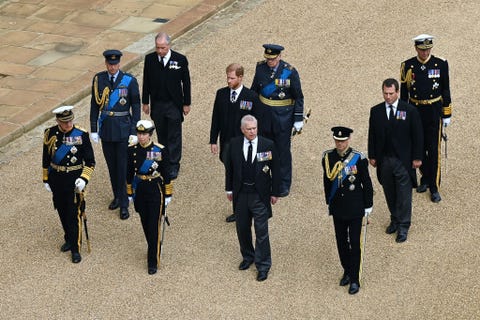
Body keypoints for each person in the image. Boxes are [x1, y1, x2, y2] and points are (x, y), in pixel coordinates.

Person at [224, 115, 280, 281]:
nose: (252, 132)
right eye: (249, 129)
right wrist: (229, 189)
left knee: (261, 231)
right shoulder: (233, 144)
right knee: (242, 228)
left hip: (259, 195)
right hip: (241, 194)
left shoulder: (267, 144)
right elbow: (230, 169)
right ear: (242, 130)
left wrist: (275, 192)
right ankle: (248, 256)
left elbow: (276, 169)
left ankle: (263, 265)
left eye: (254, 128)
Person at [368, 78, 423, 243]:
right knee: (389, 192)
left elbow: (417, 135)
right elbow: (372, 134)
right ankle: (395, 219)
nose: (388, 97)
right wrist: (372, 155)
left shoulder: (410, 110)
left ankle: (404, 226)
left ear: (397, 92)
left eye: (391, 94)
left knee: (404, 195)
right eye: (385, 93)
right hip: (384, 160)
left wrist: (417, 157)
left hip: (403, 161)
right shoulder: (376, 111)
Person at [400, 34, 452, 203]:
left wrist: (447, 113)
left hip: (433, 111)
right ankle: (425, 176)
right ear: (416, 48)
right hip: (415, 110)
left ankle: (434, 186)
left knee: (433, 148)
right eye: (422, 50)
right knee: (418, 148)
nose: (425, 53)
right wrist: (403, 116)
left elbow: (445, 89)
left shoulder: (441, 64)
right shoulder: (408, 66)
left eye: (428, 49)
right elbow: (404, 95)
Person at [90, 49, 141, 220]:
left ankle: (125, 203)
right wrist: (94, 128)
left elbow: (136, 105)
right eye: (109, 64)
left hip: (123, 130)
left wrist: (135, 130)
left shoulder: (129, 81)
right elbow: (94, 105)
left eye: (115, 64)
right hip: (106, 129)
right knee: (112, 166)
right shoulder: (99, 79)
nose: (112, 67)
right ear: (106, 64)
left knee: (123, 167)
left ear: (119, 63)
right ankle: (117, 196)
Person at [322, 126, 373, 295]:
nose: (340, 144)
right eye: (337, 140)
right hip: (338, 208)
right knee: (341, 242)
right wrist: (329, 203)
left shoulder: (358, 158)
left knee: (354, 243)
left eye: (343, 141)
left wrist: (368, 206)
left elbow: (366, 183)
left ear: (348, 140)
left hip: (355, 207)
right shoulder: (328, 157)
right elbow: (327, 182)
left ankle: (355, 279)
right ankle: (346, 270)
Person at [43, 106, 95, 263]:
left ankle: (75, 248)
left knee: (74, 214)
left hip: (74, 180)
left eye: (70, 120)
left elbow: (90, 162)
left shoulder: (81, 134)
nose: (68, 124)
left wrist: (84, 179)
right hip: (57, 179)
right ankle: (69, 237)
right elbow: (46, 158)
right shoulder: (49, 133)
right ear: (58, 121)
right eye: (64, 122)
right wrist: (46, 179)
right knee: (62, 211)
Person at [209, 63, 261, 223]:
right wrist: (213, 140)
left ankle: (246, 210)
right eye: (227, 77)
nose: (228, 81)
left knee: (243, 177)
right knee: (231, 177)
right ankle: (238, 211)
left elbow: (257, 122)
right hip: (226, 145)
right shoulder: (221, 94)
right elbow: (215, 118)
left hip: (244, 145)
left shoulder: (250, 96)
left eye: (232, 78)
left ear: (240, 77)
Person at [251, 44, 304, 197]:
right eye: (267, 59)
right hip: (264, 116)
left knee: (282, 151)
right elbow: (255, 91)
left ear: (279, 57)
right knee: (264, 150)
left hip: (283, 117)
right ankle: (265, 180)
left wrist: (298, 119)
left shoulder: (290, 72)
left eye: (273, 59)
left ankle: (283, 184)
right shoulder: (260, 69)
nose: (270, 62)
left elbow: (298, 96)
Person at [142, 32, 192, 180]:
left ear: (168, 45)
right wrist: (146, 101)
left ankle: (174, 164)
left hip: (174, 104)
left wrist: (187, 103)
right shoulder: (150, 59)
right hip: (157, 104)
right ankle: (164, 161)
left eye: (163, 48)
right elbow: (146, 81)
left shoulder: (180, 59)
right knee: (162, 134)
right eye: (157, 47)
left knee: (174, 136)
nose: (160, 51)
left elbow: (186, 82)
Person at [126, 120, 173, 275]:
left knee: (153, 225)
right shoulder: (132, 150)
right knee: (145, 223)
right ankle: (153, 244)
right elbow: (128, 173)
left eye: (144, 134)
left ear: (150, 134)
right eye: (139, 134)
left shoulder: (160, 150)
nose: (141, 137)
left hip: (155, 190)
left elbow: (167, 173)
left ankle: (152, 260)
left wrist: (168, 193)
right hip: (139, 190)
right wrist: (129, 192)